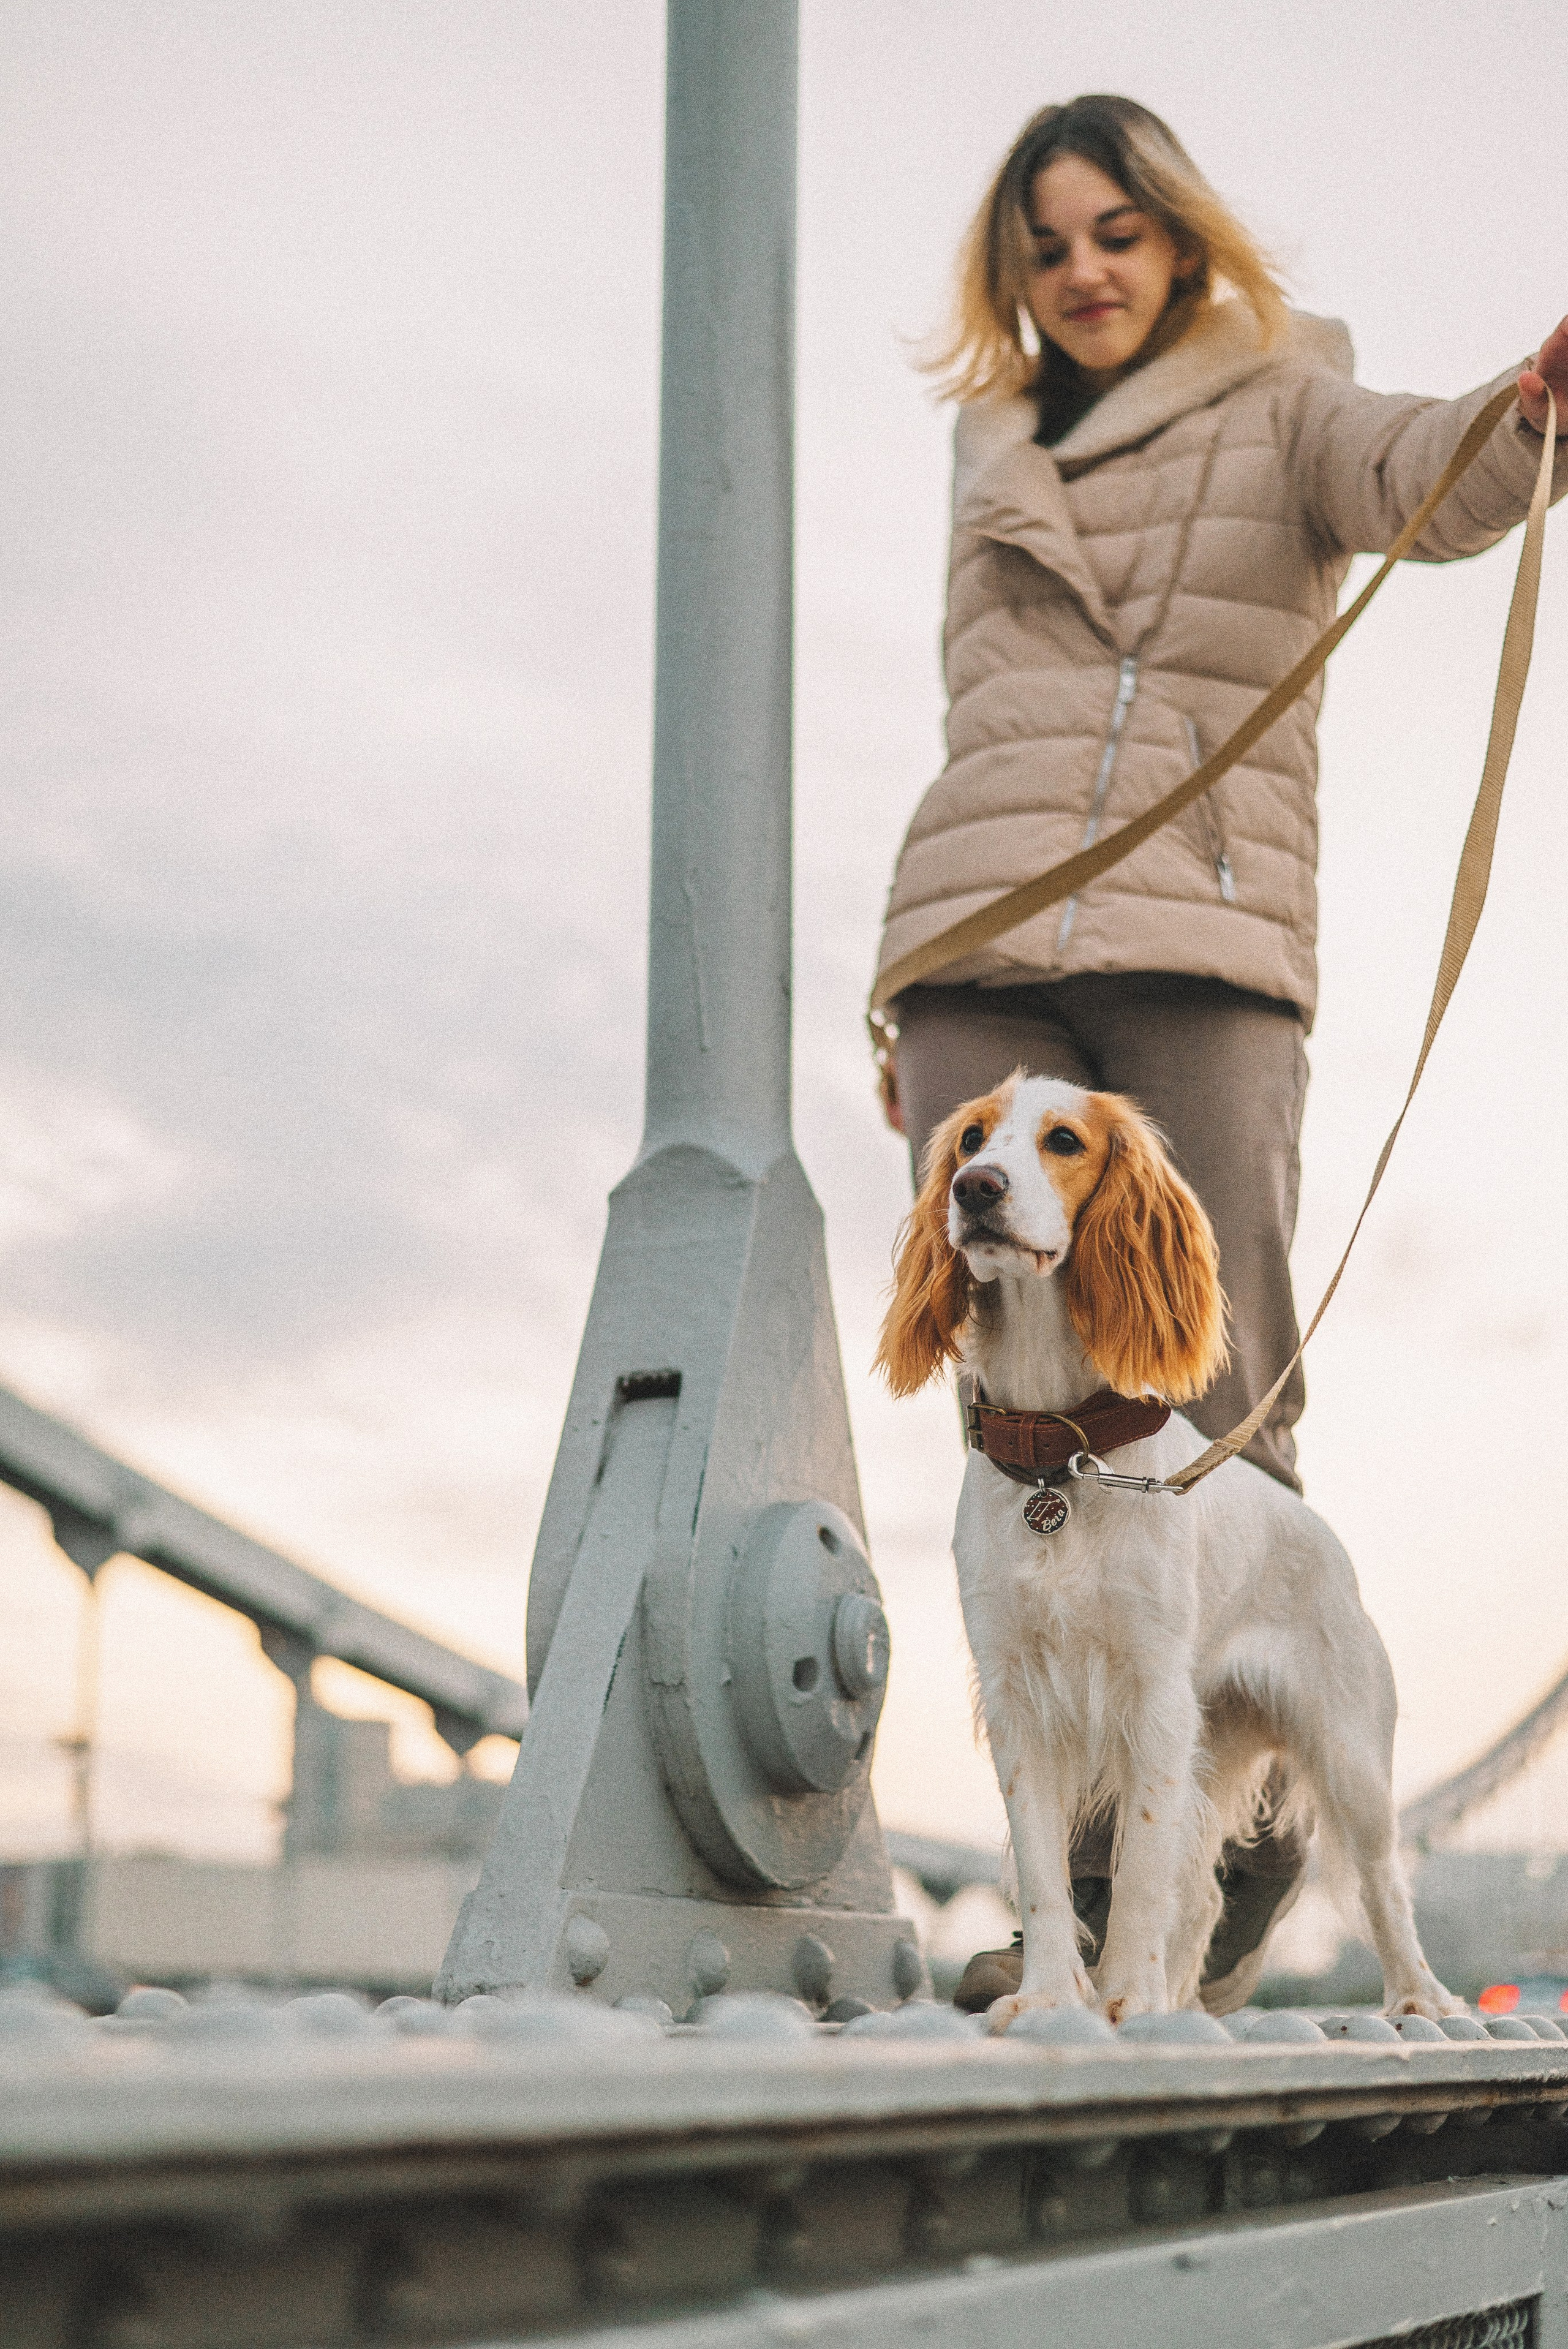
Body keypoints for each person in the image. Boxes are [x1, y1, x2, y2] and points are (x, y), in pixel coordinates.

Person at [873, 94, 1567, 2012]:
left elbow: (1422, 475)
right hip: (975, 944)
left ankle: (1199, 1892)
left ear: (1180, 237)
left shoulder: (1284, 391)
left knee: (1216, 1380)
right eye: (1045, 248)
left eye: (1117, 231)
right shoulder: (992, 445)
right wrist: (907, 998)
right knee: (1008, 1397)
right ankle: (1076, 1910)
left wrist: (1529, 413)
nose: (1082, 271)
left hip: (1204, 932)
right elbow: (983, 720)